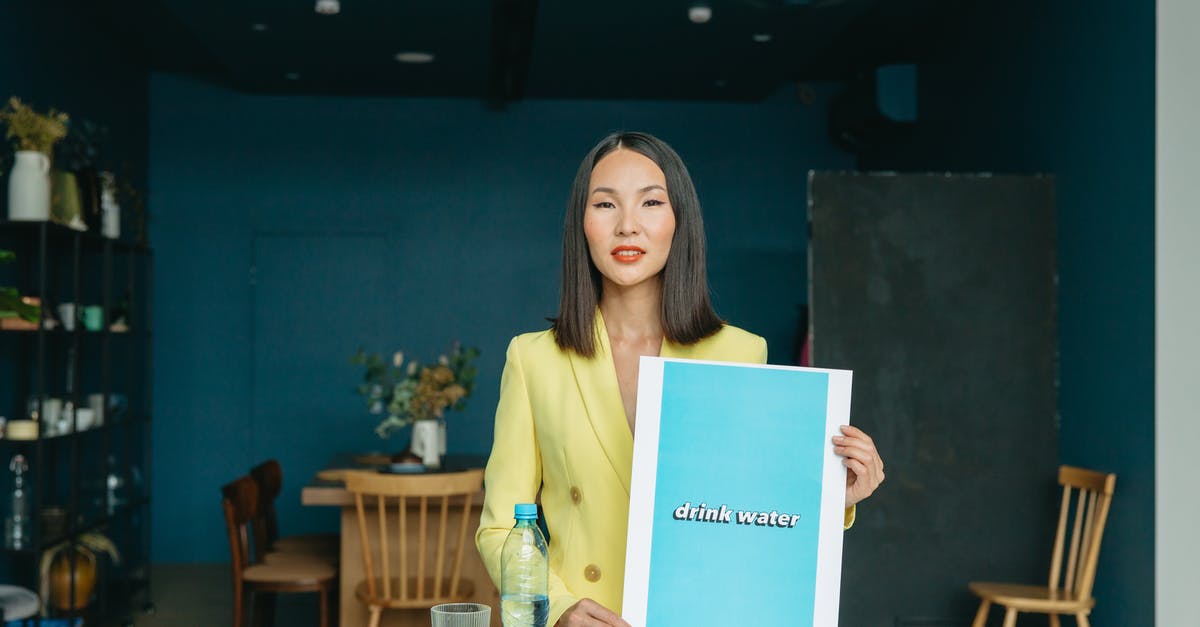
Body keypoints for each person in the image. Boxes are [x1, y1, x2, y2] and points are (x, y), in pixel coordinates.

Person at [475, 132, 885, 627]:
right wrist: (558, 609)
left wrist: (829, 498)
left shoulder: (739, 353)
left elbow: (749, 519)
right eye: (605, 204)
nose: (628, 226)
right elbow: (499, 529)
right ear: (581, 225)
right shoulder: (533, 359)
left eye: (651, 202)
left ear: (679, 221)